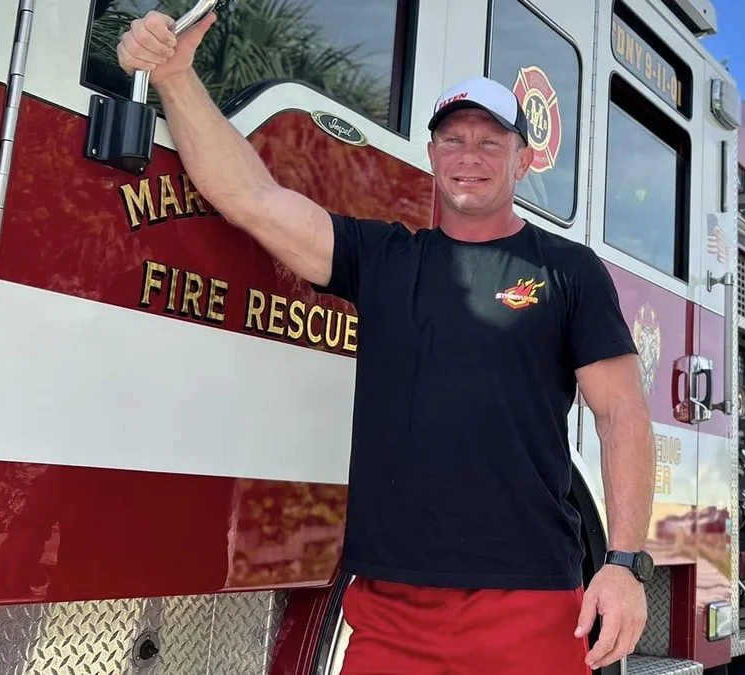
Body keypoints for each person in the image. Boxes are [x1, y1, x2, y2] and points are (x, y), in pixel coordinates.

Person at [115, 10, 657, 675]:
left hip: (528, 600)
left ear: (523, 159)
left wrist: (624, 563)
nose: (469, 156)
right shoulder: (382, 258)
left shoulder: (569, 271)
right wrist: (175, 76)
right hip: (389, 611)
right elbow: (249, 196)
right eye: (453, 140)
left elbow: (621, 411)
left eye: (491, 141)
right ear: (432, 156)